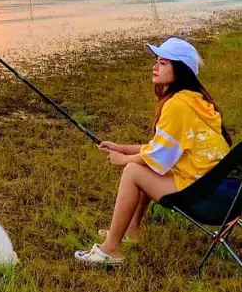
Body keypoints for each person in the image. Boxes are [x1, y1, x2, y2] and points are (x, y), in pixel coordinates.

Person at [74, 36, 231, 266]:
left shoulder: (177, 105)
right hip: (212, 186)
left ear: (180, 70)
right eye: (157, 60)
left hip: (202, 193)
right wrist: (123, 147)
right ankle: (132, 231)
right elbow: (162, 149)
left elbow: (158, 157)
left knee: (132, 171)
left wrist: (124, 158)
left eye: (164, 62)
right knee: (141, 165)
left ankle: (111, 249)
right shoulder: (193, 100)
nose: (155, 66)